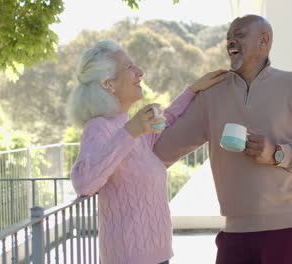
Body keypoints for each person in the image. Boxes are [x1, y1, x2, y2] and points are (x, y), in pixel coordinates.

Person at [153, 15, 292, 264]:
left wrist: (276, 153)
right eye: (228, 37)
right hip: (234, 234)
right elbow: (162, 151)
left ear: (264, 40)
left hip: (287, 230)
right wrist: (190, 91)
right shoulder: (211, 94)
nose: (230, 41)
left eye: (239, 34)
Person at [67, 40, 227, 264]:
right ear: (108, 84)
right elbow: (84, 183)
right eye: (129, 67)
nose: (140, 72)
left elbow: (169, 119)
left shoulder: (133, 127)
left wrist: (193, 89)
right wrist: (129, 132)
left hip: (159, 255)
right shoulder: (99, 127)